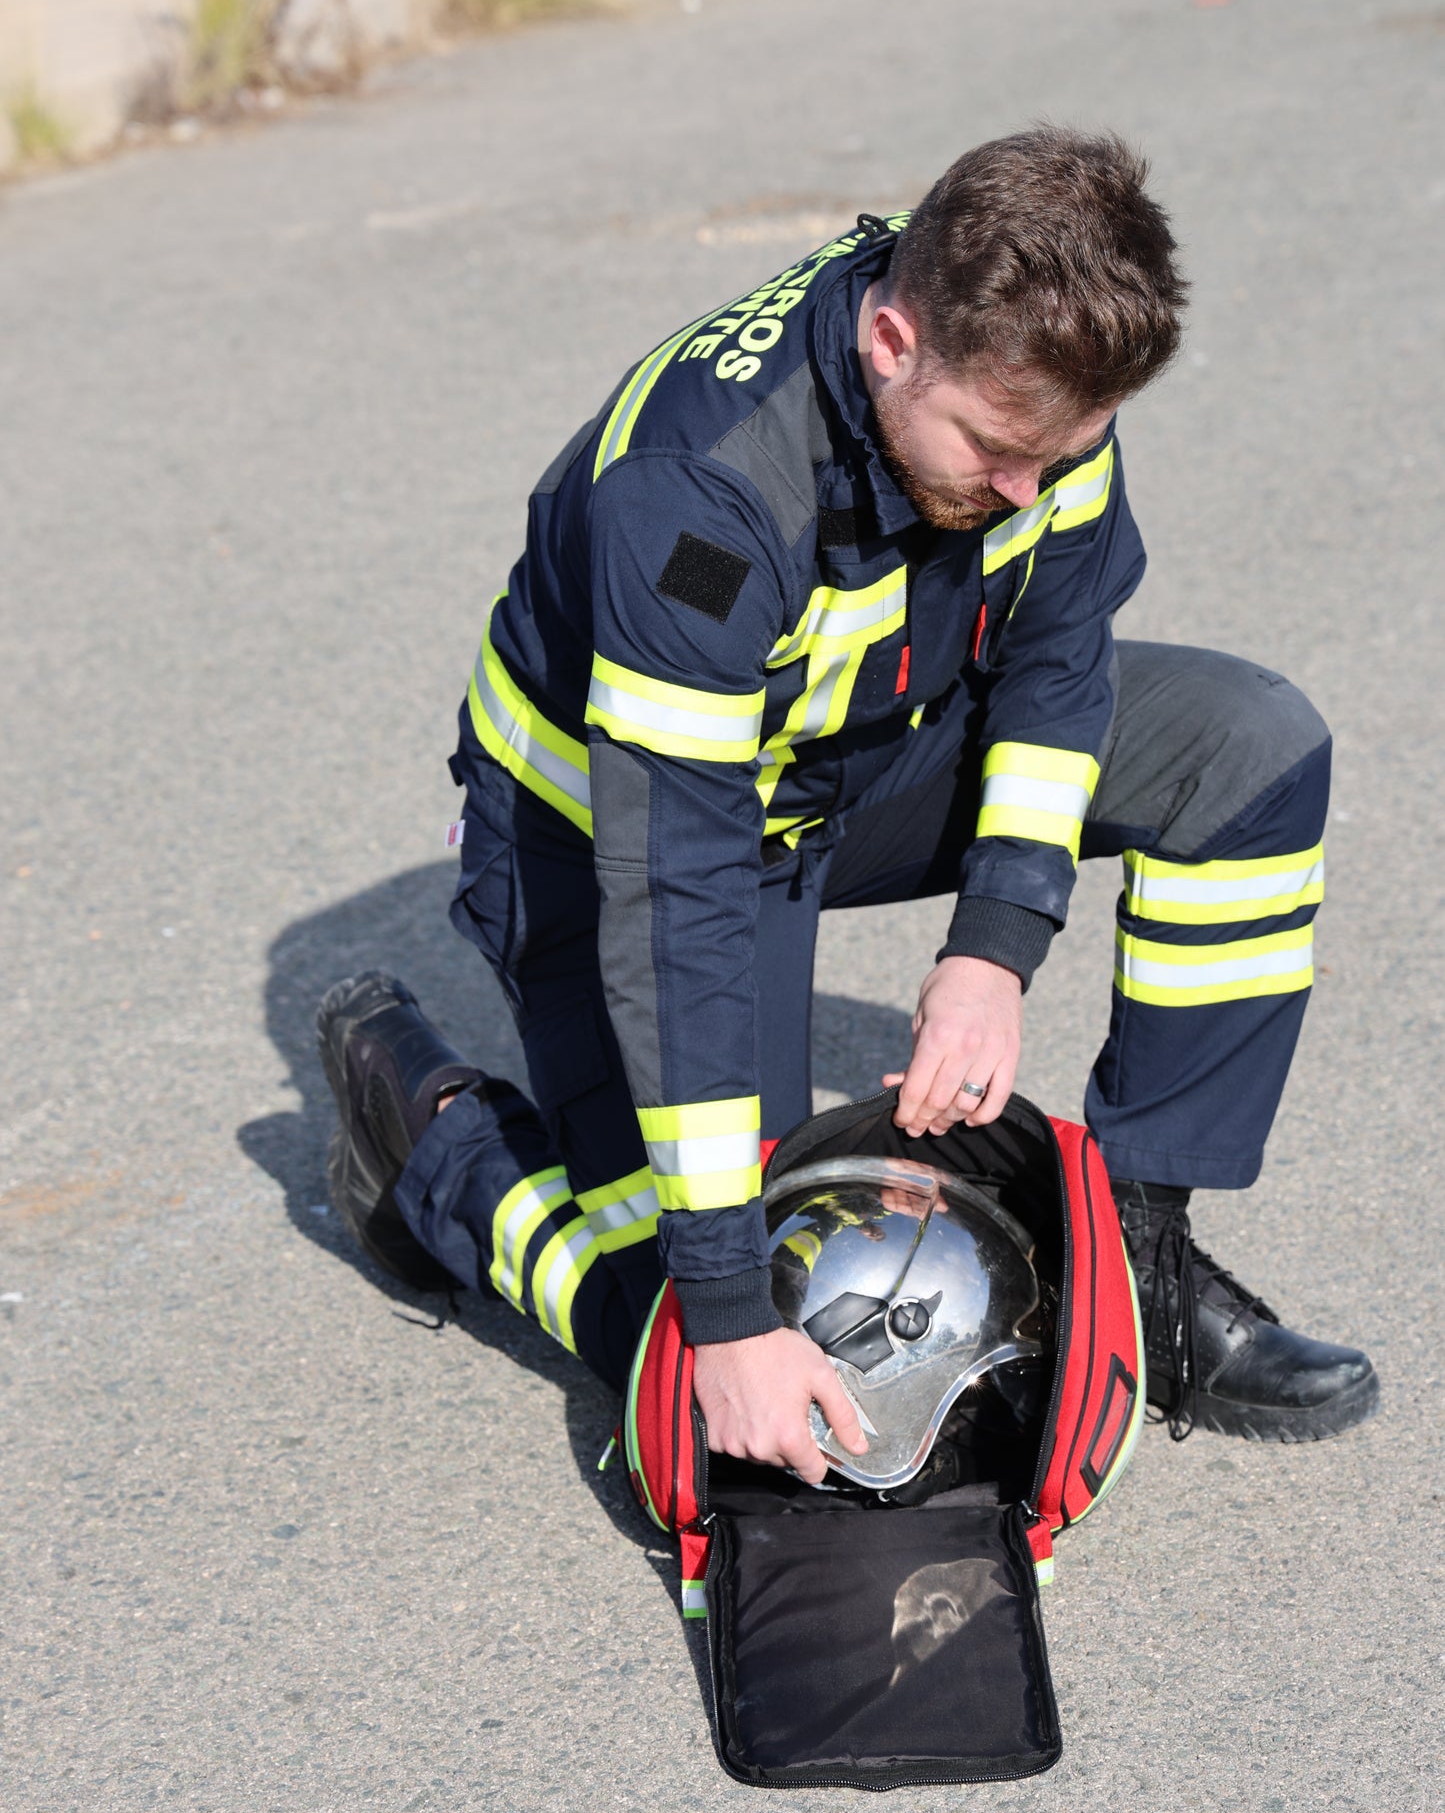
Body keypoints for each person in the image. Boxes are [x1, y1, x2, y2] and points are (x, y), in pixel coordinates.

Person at [319, 128, 1377, 1483]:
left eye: (1062, 454)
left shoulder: (1034, 407)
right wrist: (724, 1311)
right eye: (996, 449)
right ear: (890, 340)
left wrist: (994, 947)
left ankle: (1132, 1273)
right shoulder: (700, 498)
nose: (1028, 487)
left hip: (849, 767)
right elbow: (678, 894)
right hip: (610, 845)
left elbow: (1059, 667)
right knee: (730, 1366)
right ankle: (437, 1143)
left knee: (1246, 749)